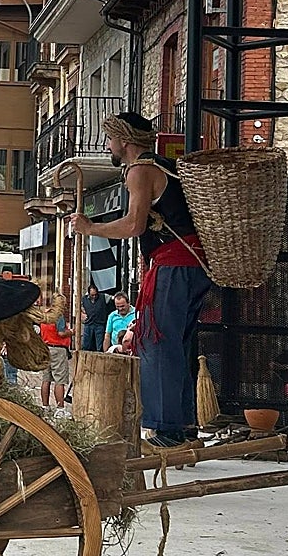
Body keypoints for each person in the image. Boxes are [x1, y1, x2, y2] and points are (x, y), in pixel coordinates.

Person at [69, 111, 211, 450]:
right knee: (179, 345)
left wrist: (91, 228)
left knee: (156, 341)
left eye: (110, 138)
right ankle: (184, 423)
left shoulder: (139, 170)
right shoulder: (165, 166)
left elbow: (134, 225)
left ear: (125, 141)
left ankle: (167, 429)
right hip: (194, 265)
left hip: (172, 265)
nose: (108, 145)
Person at [38, 292, 72, 410]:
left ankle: (45, 406)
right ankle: (60, 408)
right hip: (58, 348)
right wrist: (71, 332)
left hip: (45, 347)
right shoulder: (58, 316)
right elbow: (61, 333)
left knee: (46, 379)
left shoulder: (45, 315)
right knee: (59, 380)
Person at [81, 285, 112, 352]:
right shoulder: (84, 299)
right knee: (86, 344)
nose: (94, 296)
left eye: (95, 295)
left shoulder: (104, 297)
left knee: (99, 344)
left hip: (100, 324)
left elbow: (113, 298)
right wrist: (82, 315)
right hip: (88, 324)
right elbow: (79, 309)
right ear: (88, 293)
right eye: (92, 295)